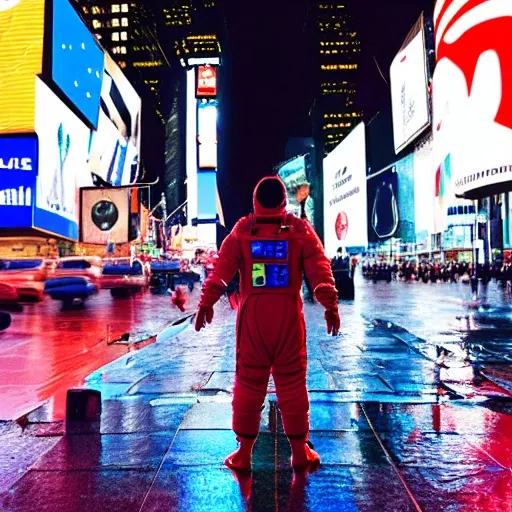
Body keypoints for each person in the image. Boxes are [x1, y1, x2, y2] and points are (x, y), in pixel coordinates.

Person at [195, 176, 340, 474]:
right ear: (284, 200)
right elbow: (319, 268)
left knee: (248, 384)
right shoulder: (299, 229)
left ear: (256, 200)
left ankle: (244, 454)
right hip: (288, 318)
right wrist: (330, 305)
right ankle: (300, 452)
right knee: (293, 383)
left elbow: (221, 271)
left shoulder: (243, 229)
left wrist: (206, 304)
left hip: (253, 321)